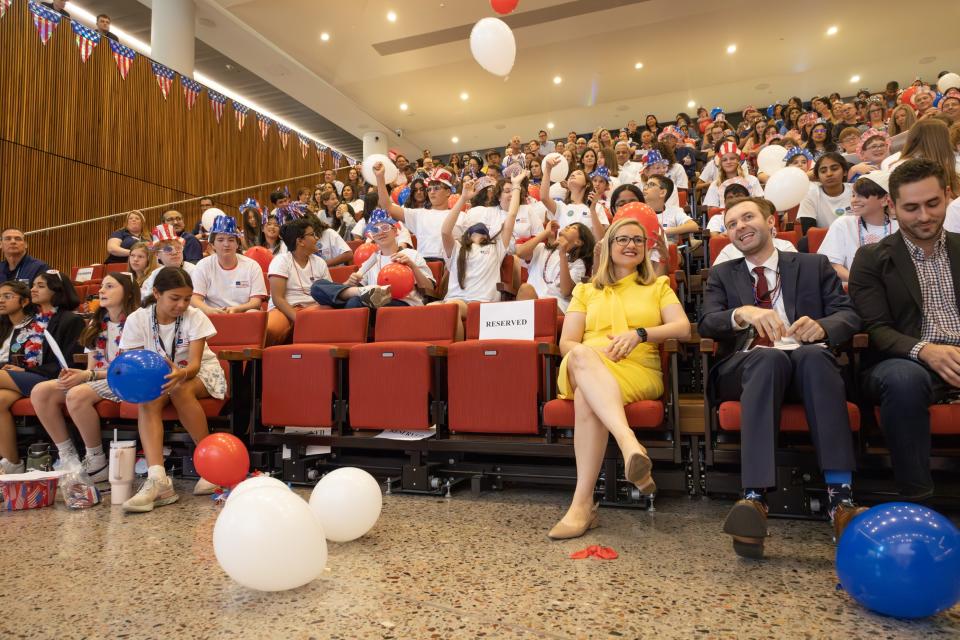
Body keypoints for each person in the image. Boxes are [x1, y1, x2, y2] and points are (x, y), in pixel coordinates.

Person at [698, 197, 864, 558]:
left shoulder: (812, 264)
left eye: (747, 217)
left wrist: (822, 326)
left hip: (807, 361)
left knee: (816, 359)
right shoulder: (724, 274)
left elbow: (848, 315)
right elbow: (707, 322)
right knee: (766, 361)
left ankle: (841, 501)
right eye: (730, 224)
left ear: (771, 222)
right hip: (748, 366)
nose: (739, 226)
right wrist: (740, 313)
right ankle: (754, 499)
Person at [547, 217, 690, 539]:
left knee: (587, 395)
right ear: (608, 246)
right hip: (588, 363)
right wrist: (592, 354)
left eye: (638, 240)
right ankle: (628, 442)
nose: (630, 245)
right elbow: (567, 342)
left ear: (646, 248)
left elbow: (682, 328)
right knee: (581, 355)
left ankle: (582, 505)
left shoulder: (658, 286)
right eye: (622, 239)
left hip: (638, 368)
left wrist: (640, 334)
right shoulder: (585, 290)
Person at [849, 159, 960, 500]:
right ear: (892, 207)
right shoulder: (871, 258)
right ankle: (918, 499)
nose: (924, 216)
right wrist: (925, 350)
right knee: (903, 379)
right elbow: (876, 328)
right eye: (911, 208)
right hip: (904, 360)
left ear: (947, 195)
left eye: (932, 204)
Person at [118, 267, 226, 511]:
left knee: (179, 389)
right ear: (157, 293)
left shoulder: (194, 316)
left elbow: (196, 365)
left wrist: (182, 373)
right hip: (160, 376)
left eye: (187, 298)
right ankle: (158, 479)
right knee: (148, 399)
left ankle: (209, 464)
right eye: (175, 298)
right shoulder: (138, 319)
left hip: (198, 373)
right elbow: (134, 363)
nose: (182, 304)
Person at [32, 273, 140, 480]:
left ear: (127, 293)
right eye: (101, 286)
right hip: (99, 379)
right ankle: (68, 456)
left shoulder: (136, 321)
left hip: (127, 379)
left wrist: (87, 376)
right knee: (41, 391)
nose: (101, 291)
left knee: (77, 394)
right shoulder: (95, 323)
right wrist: (77, 374)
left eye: (109, 286)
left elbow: (128, 368)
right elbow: (92, 365)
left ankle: (96, 459)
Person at [0, 271, 83, 473]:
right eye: (34, 285)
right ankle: (13, 462)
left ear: (57, 290)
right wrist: (24, 368)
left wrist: (26, 369)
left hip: (51, 379)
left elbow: (67, 363)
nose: (34, 289)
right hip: (31, 376)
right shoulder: (33, 321)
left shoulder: (71, 320)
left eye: (41, 286)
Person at [431, 176, 519, 339]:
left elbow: (512, 215)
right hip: (454, 301)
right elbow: (445, 231)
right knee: (427, 309)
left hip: (481, 303)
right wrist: (463, 198)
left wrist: (516, 186)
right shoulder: (457, 248)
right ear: (467, 233)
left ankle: (455, 355)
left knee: (451, 308)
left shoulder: (496, 247)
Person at [310, 209, 434, 311]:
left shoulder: (411, 254)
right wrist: (348, 283)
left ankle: (360, 293)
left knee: (356, 303)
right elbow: (356, 285)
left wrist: (412, 266)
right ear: (372, 236)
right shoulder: (370, 261)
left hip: (401, 304)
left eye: (385, 227)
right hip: (371, 304)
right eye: (375, 230)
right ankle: (360, 291)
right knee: (317, 286)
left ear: (395, 231)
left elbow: (429, 289)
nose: (380, 232)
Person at [818, 172, 898, 282]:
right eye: (853, 195)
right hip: (857, 290)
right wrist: (859, 282)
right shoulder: (843, 224)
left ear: (884, 200)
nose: (854, 200)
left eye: (862, 195)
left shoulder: (899, 227)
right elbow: (832, 264)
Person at [265, 218, 333, 345]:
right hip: (284, 310)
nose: (317, 238)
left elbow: (327, 295)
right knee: (270, 330)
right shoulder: (281, 261)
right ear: (300, 241)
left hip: (314, 308)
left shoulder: (320, 262)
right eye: (312, 234)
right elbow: (278, 299)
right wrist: (299, 319)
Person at [376, 164, 458, 261]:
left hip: (451, 265)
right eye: (429, 189)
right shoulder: (419, 214)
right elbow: (387, 207)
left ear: (448, 192)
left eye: (436, 188)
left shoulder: (461, 216)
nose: (431, 192)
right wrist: (380, 178)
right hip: (423, 266)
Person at [190, 216, 268, 315]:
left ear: (237, 244)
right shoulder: (203, 266)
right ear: (212, 244)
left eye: (231, 240)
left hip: (243, 314)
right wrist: (209, 310)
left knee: (253, 312)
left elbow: (256, 302)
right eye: (220, 240)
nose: (226, 244)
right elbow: (195, 299)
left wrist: (236, 309)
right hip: (212, 315)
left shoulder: (252, 266)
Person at [515, 219, 594, 312]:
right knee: (525, 289)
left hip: (557, 305)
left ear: (579, 242)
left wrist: (563, 255)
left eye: (573, 227)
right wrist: (545, 233)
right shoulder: (541, 248)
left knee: (526, 290)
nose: (567, 227)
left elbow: (566, 291)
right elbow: (520, 253)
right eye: (567, 226)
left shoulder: (578, 263)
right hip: (530, 299)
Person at [541, 156, 607, 242]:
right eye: (571, 174)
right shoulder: (561, 206)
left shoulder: (596, 207)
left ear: (587, 184)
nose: (573, 175)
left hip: (586, 254)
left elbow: (601, 239)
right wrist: (548, 169)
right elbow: (543, 197)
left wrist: (592, 210)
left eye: (578, 174)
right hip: (561, 253)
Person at [797, 152, 852, 232]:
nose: (829, 174)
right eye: (823, 171)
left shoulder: (857, 190)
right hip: (824, 240)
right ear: (817, 177)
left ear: (845, 172)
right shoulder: (810, 195)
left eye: (834, 169)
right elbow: (809, 233)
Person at [140, 225, 197, 299]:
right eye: (167, 249)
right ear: (157, 254)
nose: (175, 253)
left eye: (178, 248)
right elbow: (146, 299)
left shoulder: (194, 271)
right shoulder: (155, 274)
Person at [702, 143, 763, 207]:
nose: (728, 162)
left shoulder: (752, 180)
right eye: (724, 160)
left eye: (732, 158)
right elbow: (712, 209)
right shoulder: (715, 184)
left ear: (738, 161)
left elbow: (760, 204)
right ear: (721, 164)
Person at [641, 175, 698, 244]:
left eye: (651, 185)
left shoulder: (674, 211)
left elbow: (693, 226)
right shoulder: (638, 210)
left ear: (662, 193)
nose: (645, 188)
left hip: (668, 249)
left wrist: (665, 232)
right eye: (646, 185)